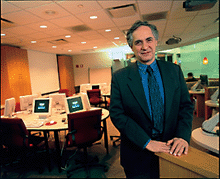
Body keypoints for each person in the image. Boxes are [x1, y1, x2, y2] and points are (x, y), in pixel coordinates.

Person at [109, 20, 194, 179]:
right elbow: (117, 114)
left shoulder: (174, 71)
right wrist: (146, 142)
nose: (144, 46)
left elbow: (185, 107)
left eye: (149, 40)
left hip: (173, 150)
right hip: (137, 154)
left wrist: (183, 136)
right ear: (132, 47)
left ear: (156, 41)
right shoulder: (120, 78)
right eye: (138, 42)